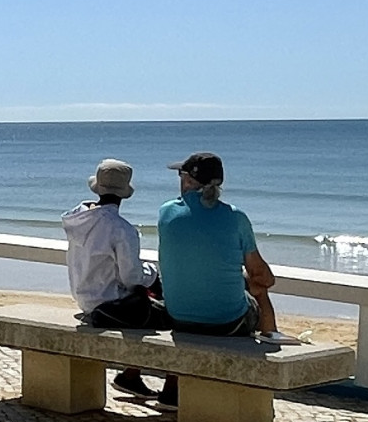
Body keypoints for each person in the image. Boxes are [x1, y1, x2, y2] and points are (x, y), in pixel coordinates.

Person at [157, 152, 295, 344]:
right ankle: (270, 333)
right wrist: (259, 281)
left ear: (188, 181)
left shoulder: (166, 212)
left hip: (178, 319)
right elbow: (263, 276)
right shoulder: (235, 218)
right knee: (257, 285)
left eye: (181, 176)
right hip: (229, 323)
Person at [68, 159, 173, 398]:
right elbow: (131, 277)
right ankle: (170, 387)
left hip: (84, 297)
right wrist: (153, 273)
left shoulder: (79, 219)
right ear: (124, 193)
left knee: (148, 305)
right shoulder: (122, 229)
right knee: (172, 315)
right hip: (110, 304)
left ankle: (132, 375)